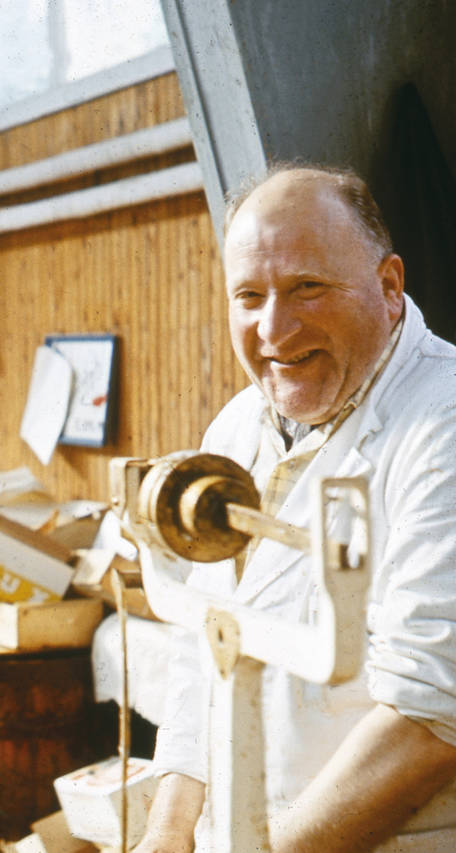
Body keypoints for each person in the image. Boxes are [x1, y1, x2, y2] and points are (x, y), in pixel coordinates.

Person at [135, 165, 456, 852]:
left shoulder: (445, 425)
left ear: (389, 288)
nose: (274, 327)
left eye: (307, 287)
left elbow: (430, 720)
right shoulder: (236, 428)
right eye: (248, 295)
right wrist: (166, 835)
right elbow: (203, 654)